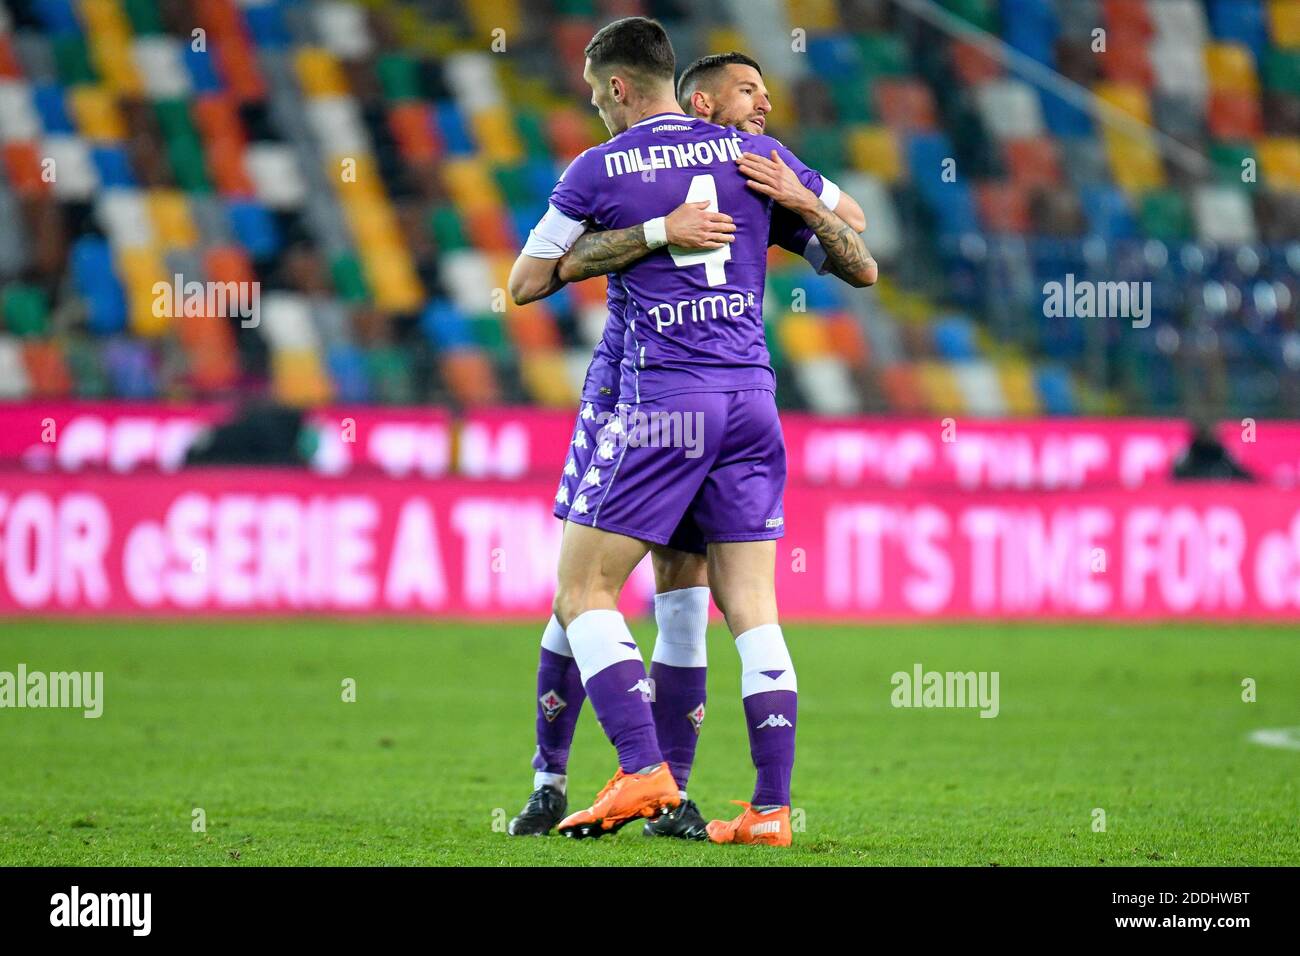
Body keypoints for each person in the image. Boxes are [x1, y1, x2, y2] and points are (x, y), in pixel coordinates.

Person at [508, 17, 875, 845]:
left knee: (581, 592)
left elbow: (528, 282)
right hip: (752, 401)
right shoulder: (752, 159)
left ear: (613, 87)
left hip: (656, 402)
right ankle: (765, 807)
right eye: (751, 92)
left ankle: (641, 772)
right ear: (692, 89)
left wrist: (646, 235)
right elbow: (860, 253)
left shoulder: (600, 166)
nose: (763, 104)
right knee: (739, 604)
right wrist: (802, 194)